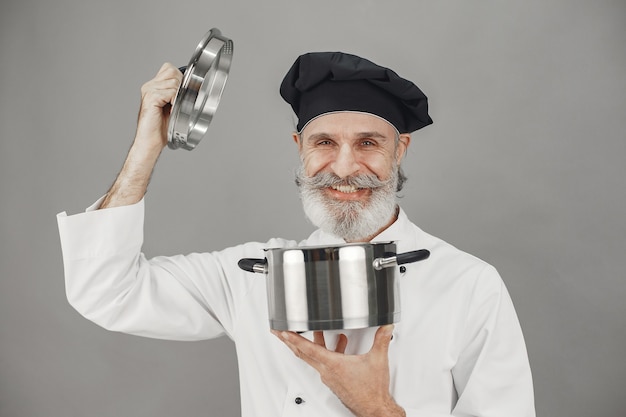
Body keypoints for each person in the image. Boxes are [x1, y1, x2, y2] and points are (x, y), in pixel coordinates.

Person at [57, 52, 535, 417]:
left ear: (400, 151)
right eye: (324, 143)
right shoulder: (251, 274)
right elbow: (106, 291)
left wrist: (378, 408)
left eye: (368, 143)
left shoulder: (468, 284)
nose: (345, 168)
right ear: (299, 149)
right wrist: (147, 145)